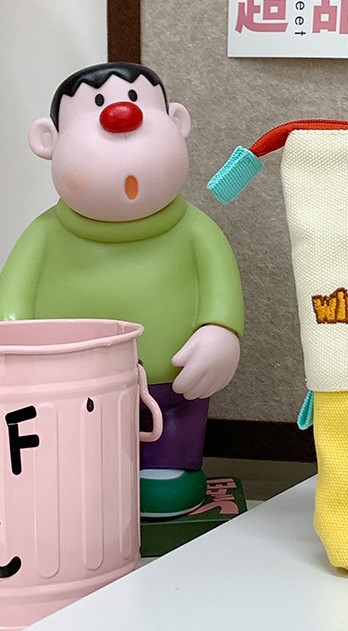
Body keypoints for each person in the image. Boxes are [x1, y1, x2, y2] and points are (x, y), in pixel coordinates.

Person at [0, 62, 245, 517]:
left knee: (168, 463)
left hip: (172, 388)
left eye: (136, 101)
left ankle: (170, 470)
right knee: (77, 464)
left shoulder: (196, 231)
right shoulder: (44, 235)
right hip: (71, 392)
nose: (121, 116)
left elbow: (221, 291)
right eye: (96, 106)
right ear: (47, 141)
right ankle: (82, 480)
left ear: (176, 122)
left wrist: (220, 333)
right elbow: (10, 306)